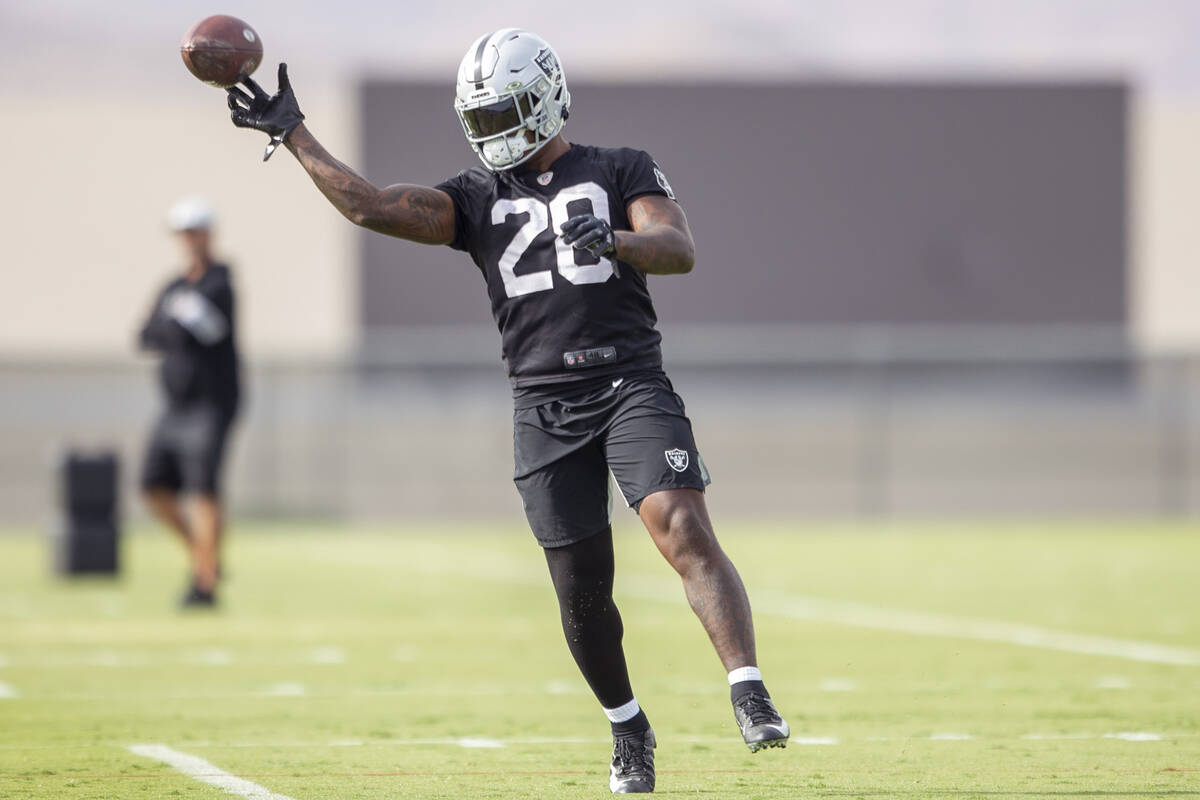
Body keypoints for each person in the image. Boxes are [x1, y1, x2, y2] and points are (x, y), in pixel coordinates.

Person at [224, 29, 787, 793]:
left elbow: (676, 247)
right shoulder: (476, 195)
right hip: (543, 403)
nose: (493, 132)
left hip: (630, 383)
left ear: (547, 96)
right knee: (581, 590)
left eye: (506, 112)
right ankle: (629, 728)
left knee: (681, 524)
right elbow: (370, 207)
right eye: (480, 117)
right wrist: (293, 133)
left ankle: (747, 687)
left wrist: (618, 241)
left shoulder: (620, 166)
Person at [138, 197, 241, 608]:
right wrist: (174, 323)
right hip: (174, 407)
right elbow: (147, 335)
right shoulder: (174, 287)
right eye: (183, 232)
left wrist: (172, 324)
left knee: (202, 489)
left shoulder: (220, 283)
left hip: (211, 403)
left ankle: (205, 584)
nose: (189, 239)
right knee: (153, 486)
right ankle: (205, 556)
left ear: (208, 234)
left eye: (195, 230)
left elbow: (200, 332)